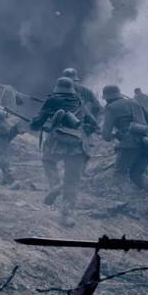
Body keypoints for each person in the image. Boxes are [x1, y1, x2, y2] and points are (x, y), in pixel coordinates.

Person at [29, 77, 98, 227]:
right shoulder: (80, 102)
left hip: (57, 142)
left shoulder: (52, 100)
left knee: (48, 161)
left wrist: (36, 124)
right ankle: (67, 214)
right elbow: (94, 124)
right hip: (78, 144)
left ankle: (55, 184)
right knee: (72, 180)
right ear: (72, 88)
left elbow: (36, 123)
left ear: (57, 87)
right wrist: (82, 131)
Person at [101, 85, 148, 211]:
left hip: (130, 145)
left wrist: (116, 134)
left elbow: (106, 135)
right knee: (137, 173)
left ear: (107, 98)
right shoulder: (134, 103)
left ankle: (128, 201)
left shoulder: (110, 107)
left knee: (119, 173)